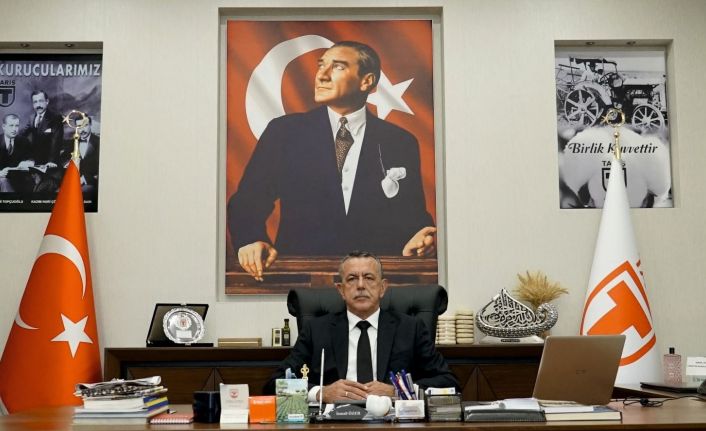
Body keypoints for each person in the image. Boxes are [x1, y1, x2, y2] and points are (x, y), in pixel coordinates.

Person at [228, 41, 436, 281]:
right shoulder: (283, 133)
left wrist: (421, 238)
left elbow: (413, 216)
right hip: (298, 280)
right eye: (321, 65)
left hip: (376, 283)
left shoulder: (400, 141)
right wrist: (251, 240)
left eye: (337, 67)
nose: (321, 75)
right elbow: (246, 203)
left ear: (366, 81)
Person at [263, 251, 459, 403]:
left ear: (382, 287)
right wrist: (321, 393)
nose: (360, 285)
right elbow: (274, 385)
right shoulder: (317, 330)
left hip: (393, 423)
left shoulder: (410, 328)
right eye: (351, 279)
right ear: (341, 290)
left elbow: (450, 383)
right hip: (334, 424)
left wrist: (398, 391)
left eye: (369, 277)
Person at [60, 115, 100, 195]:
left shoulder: (99, 142)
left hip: (91, 183)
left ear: (90, 125)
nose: (82, 130)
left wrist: (84, 179)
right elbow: (63, 159)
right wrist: (68, 163)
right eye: (79, 127)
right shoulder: (73, 142)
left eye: (85, 125)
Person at [22, 90, 63, 166]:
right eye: (35, 102)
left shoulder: (55, 118)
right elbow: (22, 135)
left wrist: (52, 161)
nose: (38, 105)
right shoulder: (31, 118)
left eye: (41, 101)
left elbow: (56, 141)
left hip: (49, 162)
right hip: (34, 161)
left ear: (47, 102)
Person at [0, 114, 33, 192]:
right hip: (2, 178)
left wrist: (28, 163)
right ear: (4, 127)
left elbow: (31, 158)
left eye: (16, 126)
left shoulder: (24, 141)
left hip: (19, 178)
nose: (14, 129)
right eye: (11, 126)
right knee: (4, 181)